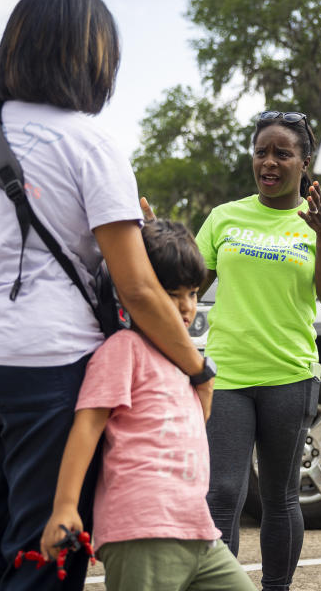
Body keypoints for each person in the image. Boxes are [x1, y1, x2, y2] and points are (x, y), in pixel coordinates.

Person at [0, 0, 209, 591]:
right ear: (89, 57)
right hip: (42, 365)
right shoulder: (89, 142)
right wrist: (196, 367)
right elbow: (135, 285)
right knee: (42, 554)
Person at [39, 219, 256, 591]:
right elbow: (88, 427)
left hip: (197, 529)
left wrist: (204, 383)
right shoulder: (123, 351)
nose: (186, 306)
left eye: (192, 293)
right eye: (172, 294)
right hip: (142, 529)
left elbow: (193, 426)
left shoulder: (184, 361)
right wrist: (65, 507)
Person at [195, 111, 321, 591]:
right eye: (262, 152)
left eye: (282, 153)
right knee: (221, 492)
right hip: (229, 376)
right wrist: (155, 245)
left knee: (281, 497)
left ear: (304, 163)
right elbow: (186, 283)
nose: (269, 162)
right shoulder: (225, 217)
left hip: (290, 375)